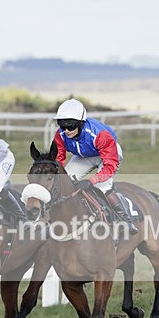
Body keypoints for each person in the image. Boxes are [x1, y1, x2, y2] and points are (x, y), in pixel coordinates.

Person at [51, 98, 138, 235]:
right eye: (62, 125)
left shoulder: (101, 135)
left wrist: (92, 181)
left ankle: (125, 221)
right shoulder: (60, 135)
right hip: (84, 156)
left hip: (108, 155)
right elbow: (58, 159)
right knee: (64, 182)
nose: (66, 130)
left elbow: (110, 166)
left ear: (81, 123)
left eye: (71, 125)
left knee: (101, 187)